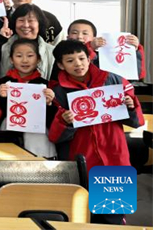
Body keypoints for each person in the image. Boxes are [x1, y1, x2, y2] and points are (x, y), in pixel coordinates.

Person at [48, 40, 143, 225]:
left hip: (114, 156)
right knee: (82, 216)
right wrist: (64, 121)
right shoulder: (57, 92)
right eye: (70, 61)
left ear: (89, 58)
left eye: (82, 58)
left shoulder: (113, 80)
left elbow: (137, 122)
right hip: (81, 159)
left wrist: (131, 106)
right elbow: (54, 137)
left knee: (114, 215)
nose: (78, 64)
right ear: (60, 65)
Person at [0, 38, 57, 157]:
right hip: (9, 134)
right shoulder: (2, 84)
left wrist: (49, 103)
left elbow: (52, 119)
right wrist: (1, 98)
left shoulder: (45, 85)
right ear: (11, 59)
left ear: (38, 59)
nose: (25, 60)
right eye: (19, 56)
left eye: (30, 56)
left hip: (38, 138)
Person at [0, 4, 56, 83]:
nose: (26, 25)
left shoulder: (51, 51)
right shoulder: (3, 46)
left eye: (31, 21)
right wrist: (0, 39)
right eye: (21, 20)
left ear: (39, 23)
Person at [66, 19, 146, 80]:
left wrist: (133, 50)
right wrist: (89, 47)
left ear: (94, 38)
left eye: (85, 33)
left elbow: (135, 74)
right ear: (67, 37)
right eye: (74, 33)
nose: (79, 36)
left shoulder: (103, 57)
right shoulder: (63, 53)